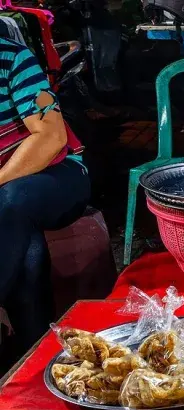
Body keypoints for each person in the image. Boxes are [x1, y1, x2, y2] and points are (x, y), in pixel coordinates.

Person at [0, 37, 90, 360]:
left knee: (12, 201)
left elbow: (51, 138)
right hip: (11, 208)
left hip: (59, 176)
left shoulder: (12, 58)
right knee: (28, 250)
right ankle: (35, 356)